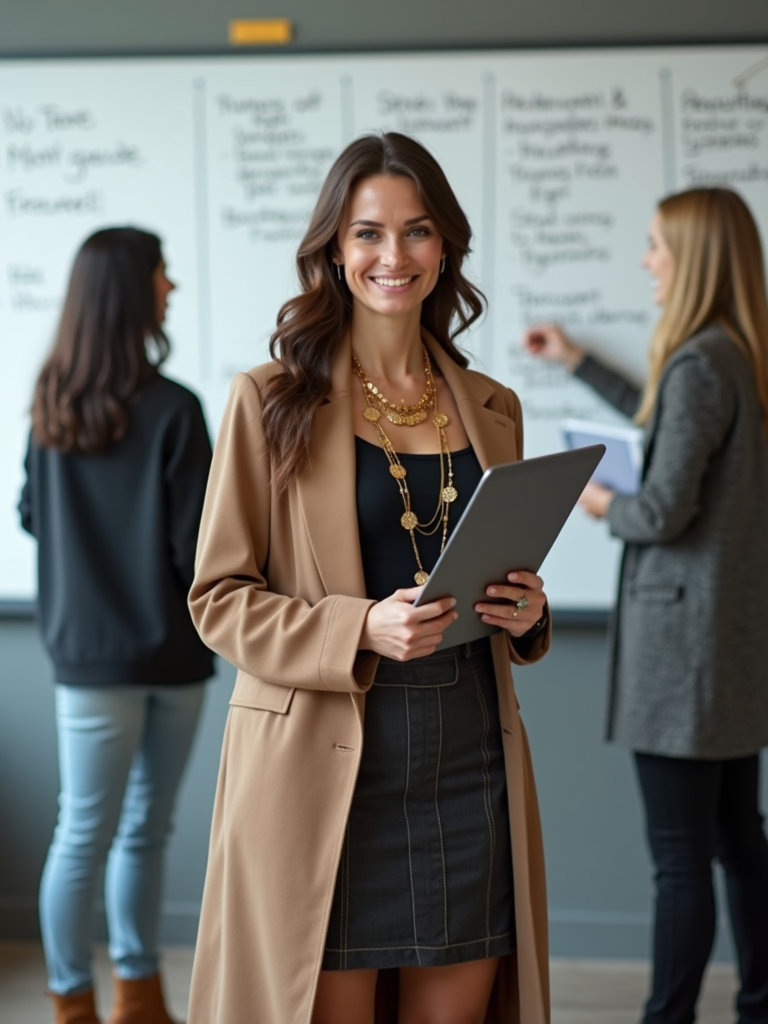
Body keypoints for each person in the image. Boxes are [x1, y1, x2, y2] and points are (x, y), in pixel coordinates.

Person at [187, 132, 552, 1024]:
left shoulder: (494, 406)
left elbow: (504, 575)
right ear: (333, 249)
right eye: (368, 233)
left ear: (445, 247)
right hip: (325, 772)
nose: (395, 256)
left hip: (468, 760)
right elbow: (218, 600)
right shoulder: (268, 400)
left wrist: (526, 610)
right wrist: (357, 627)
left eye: (418, 232)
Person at [523, 187, 768, 1024]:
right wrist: (578, 362)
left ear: (693, 258)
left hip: (683, 651)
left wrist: (594, 503)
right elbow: (670, 432)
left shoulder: (700, 361)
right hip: (727, 645)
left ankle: (667, 1018)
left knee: (679, 858)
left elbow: (661, 508)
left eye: (657, 245)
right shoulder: (737, 357)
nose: (646, 260)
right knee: (740, 844)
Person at [18, 227, 214, 1024]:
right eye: (162, 273)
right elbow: (196, 544)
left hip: (88, 659)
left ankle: (73, 1003)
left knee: (83, 833)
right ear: (136, 290)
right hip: (173, 654)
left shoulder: (50, 407)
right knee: (144, 832)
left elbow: (32, 515)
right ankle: (139, 997)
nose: (171, 286)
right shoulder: (176, 410)